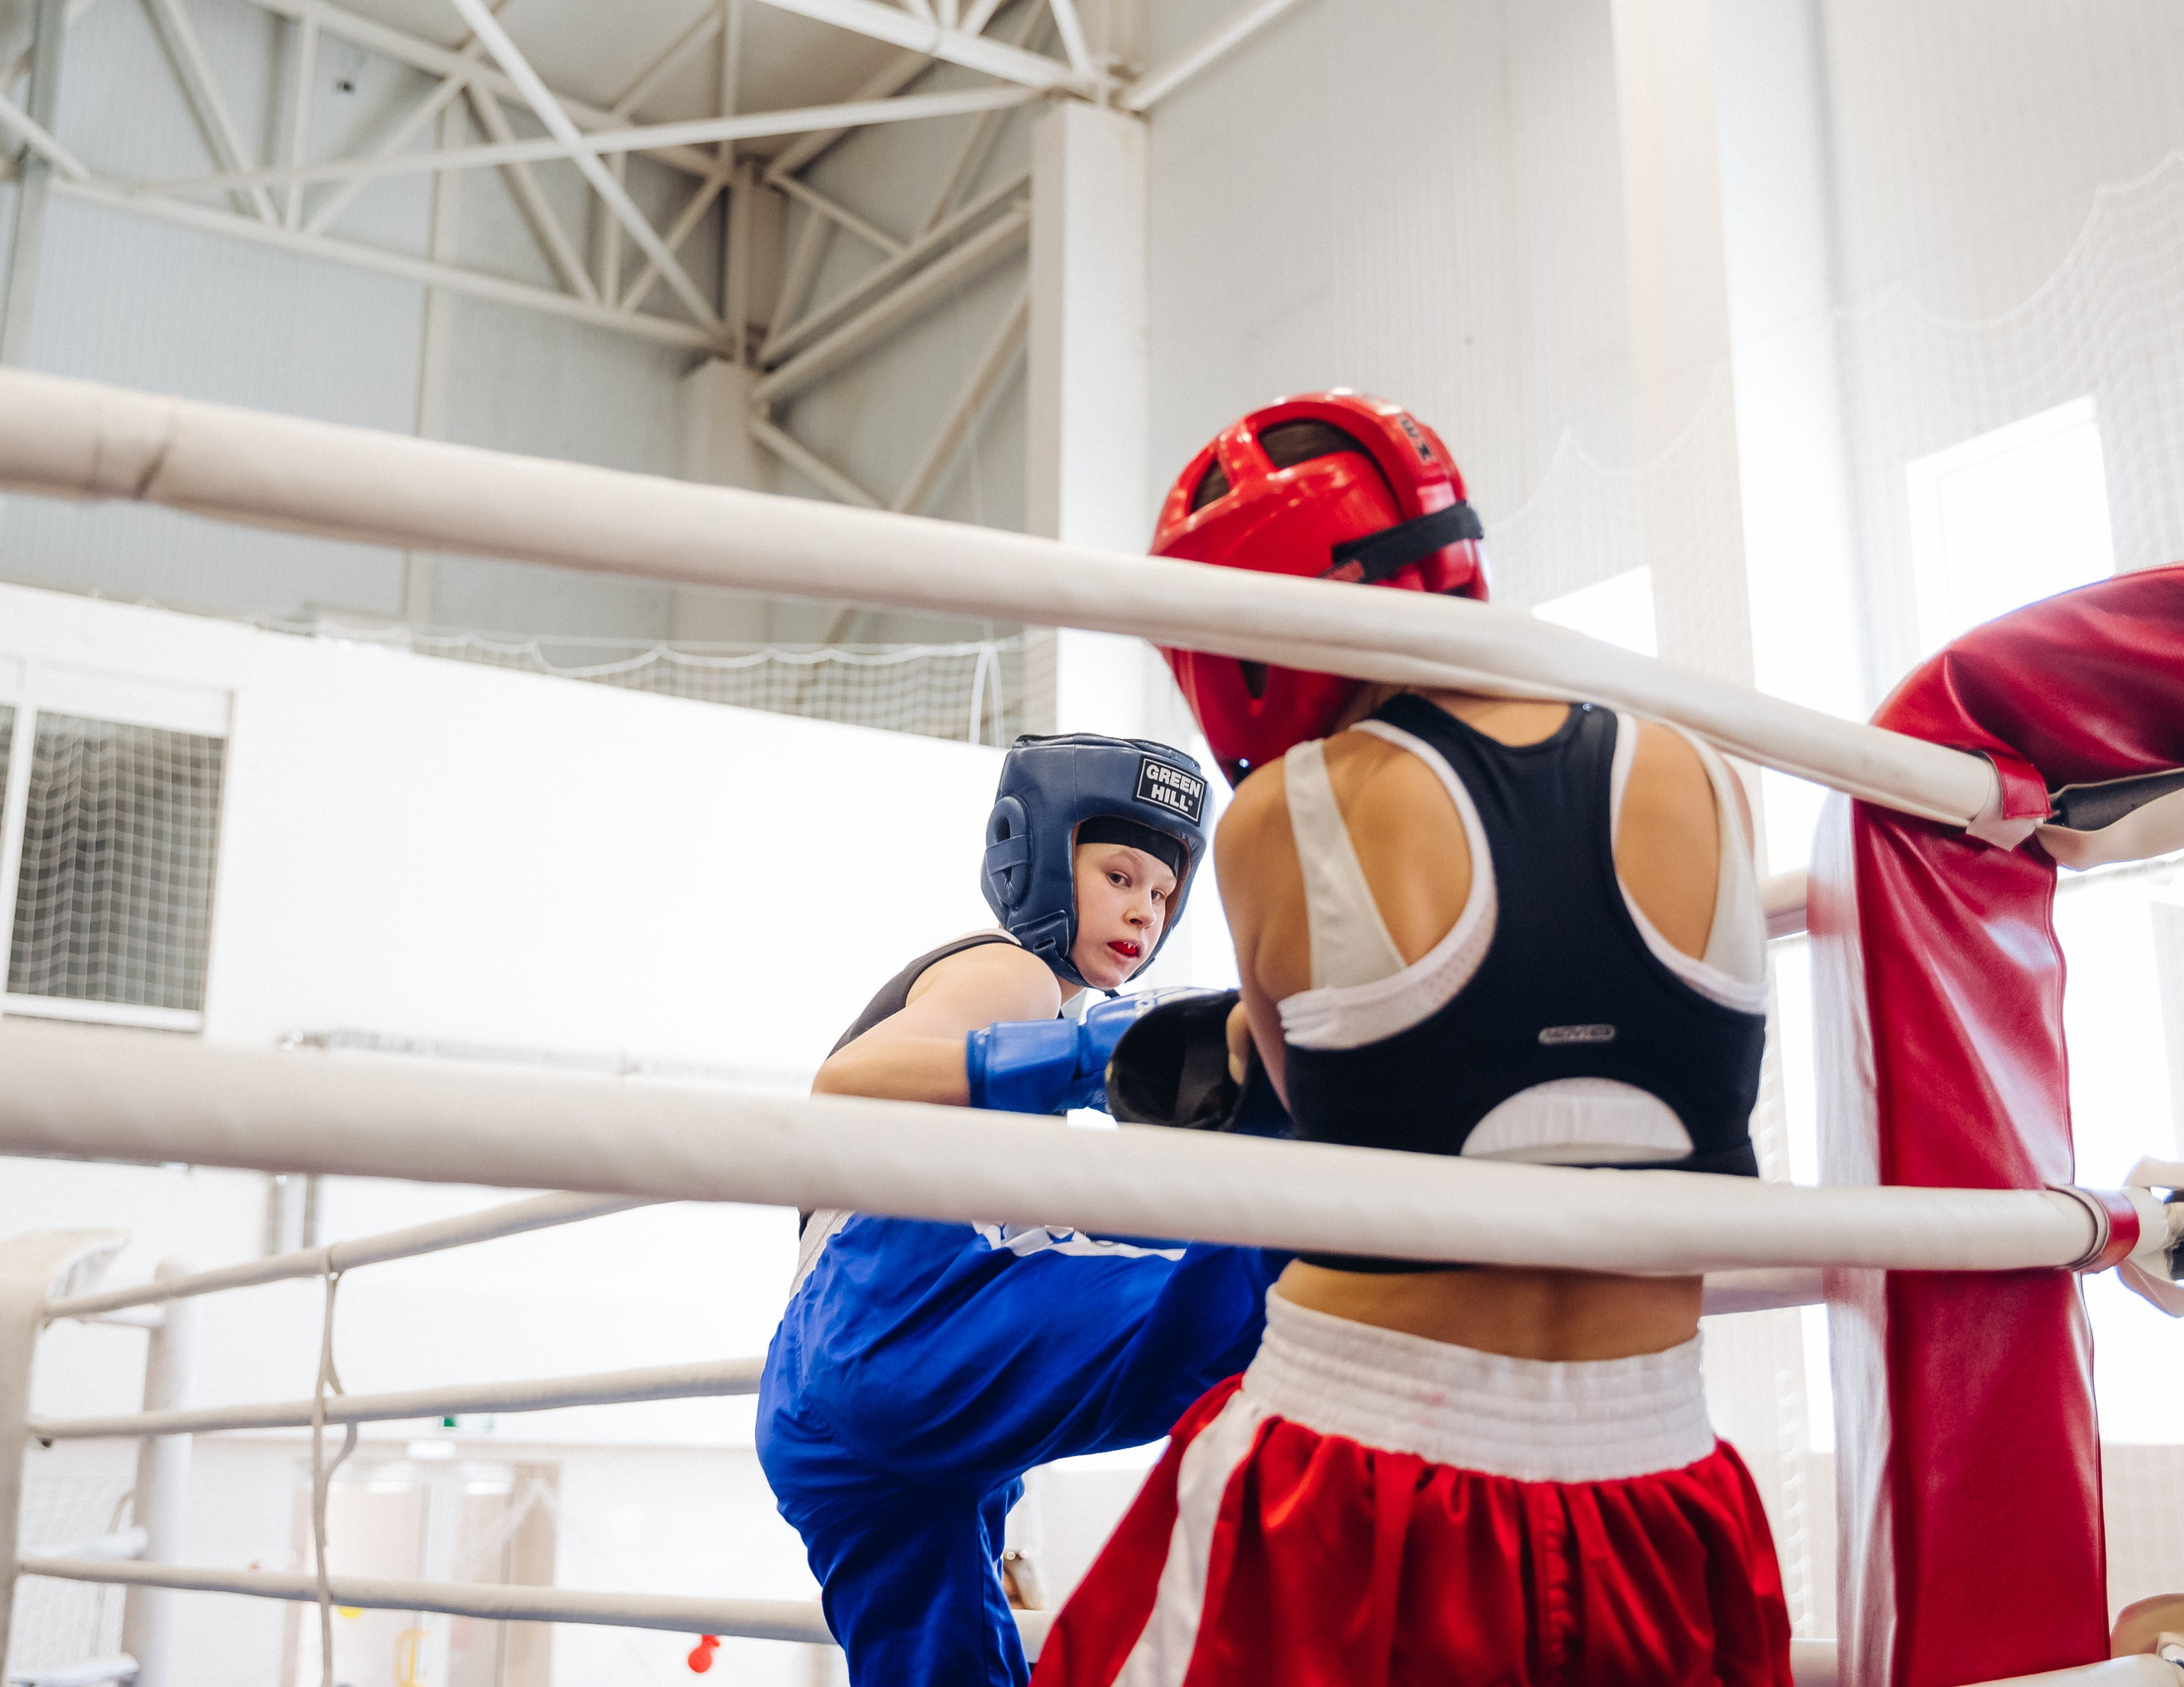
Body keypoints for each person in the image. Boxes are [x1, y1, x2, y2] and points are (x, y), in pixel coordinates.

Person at [1033, 392, 1794, 1686]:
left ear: (1253, 621)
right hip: (1661, 1478)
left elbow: (1295, 1084)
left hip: (1352, 1458)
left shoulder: (1286, 815)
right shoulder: (1712, 773)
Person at [757, 733, 1286, 1687]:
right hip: (897, 1321)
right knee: (1249, 1300)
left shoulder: (1034, 1038)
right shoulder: (1015, 977)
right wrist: (1088, 1056)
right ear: (1042, 860)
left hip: (826, 1404)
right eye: (1119, 873)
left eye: (1162, 894)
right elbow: (847, 1080)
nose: (1142, 909)